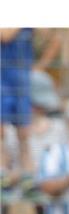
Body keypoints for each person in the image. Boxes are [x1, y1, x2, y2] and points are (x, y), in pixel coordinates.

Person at [1, 28, 36, 182]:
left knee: (23, 133)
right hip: (3, 79)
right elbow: (5, 35)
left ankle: (28, 179)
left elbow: (50, 36)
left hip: (21, 79)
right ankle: (2, 175)